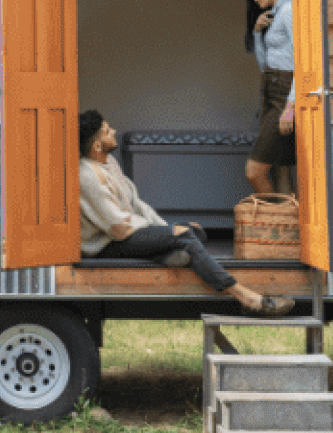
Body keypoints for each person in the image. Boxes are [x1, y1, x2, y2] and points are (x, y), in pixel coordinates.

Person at [79, 110, 296, 317]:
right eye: (108, 131)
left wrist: (166, 230)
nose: (114, 131)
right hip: (108, 244)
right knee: (184, 237)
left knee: (195, 231)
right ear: (97, 145)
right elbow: (118, 227)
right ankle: (247, 298)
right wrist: (168, 234)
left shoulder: (109, 162)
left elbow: (137, 203)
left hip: (129, 231)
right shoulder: (88, 176)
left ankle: (168, 254)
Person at [242, 0, 295, 196]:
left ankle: (272, 222)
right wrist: (256, 32)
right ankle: (285, 229)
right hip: (271, 90)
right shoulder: (273, 15)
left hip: (284, 95)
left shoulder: (289, 11)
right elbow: (264, 66)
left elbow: (302, 63)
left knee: (254, 171)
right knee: (280, 169)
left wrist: (290, 107)